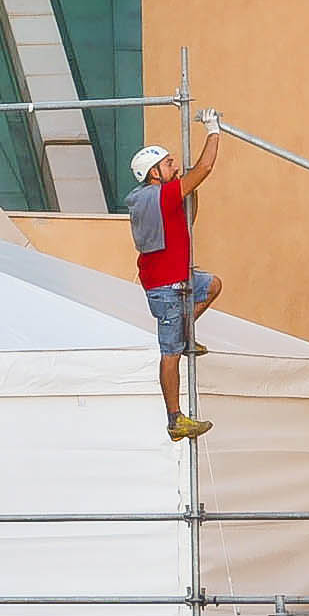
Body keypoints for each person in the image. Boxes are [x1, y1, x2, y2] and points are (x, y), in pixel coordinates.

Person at [125, 107, 226, 442]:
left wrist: (188, 188)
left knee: (212, 285)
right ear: (154, 173)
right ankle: (175, 419)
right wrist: (213, 130)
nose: (174, 166)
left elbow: (188, 219)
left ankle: (184, 333)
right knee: (170, 354)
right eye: (167, 163)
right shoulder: (159, 195)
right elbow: (205, 167)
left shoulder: (153, 198)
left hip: (177, 279)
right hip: (167, 288)